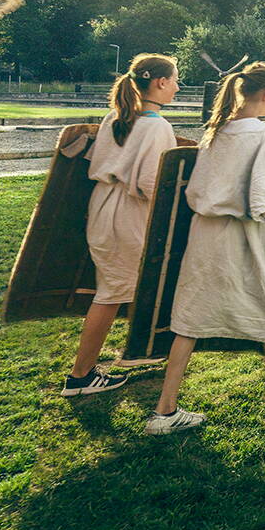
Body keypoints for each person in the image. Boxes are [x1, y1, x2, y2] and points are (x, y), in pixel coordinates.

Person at [146, 62, 265, 435]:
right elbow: (262, 196)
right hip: (240, 232)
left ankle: (169, 408)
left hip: (203, 231)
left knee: (191, 316)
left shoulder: (216, 130)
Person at [60, 54, 179, 397]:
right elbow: (150, 183)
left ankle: (134, 353)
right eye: (174, 79)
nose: (176, 86)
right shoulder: (156, 126)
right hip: (126, 211)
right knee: (112, 292)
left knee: (125, 286)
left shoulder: (116, 115)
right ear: (159, 82)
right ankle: (80, 376)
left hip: (103, 204)